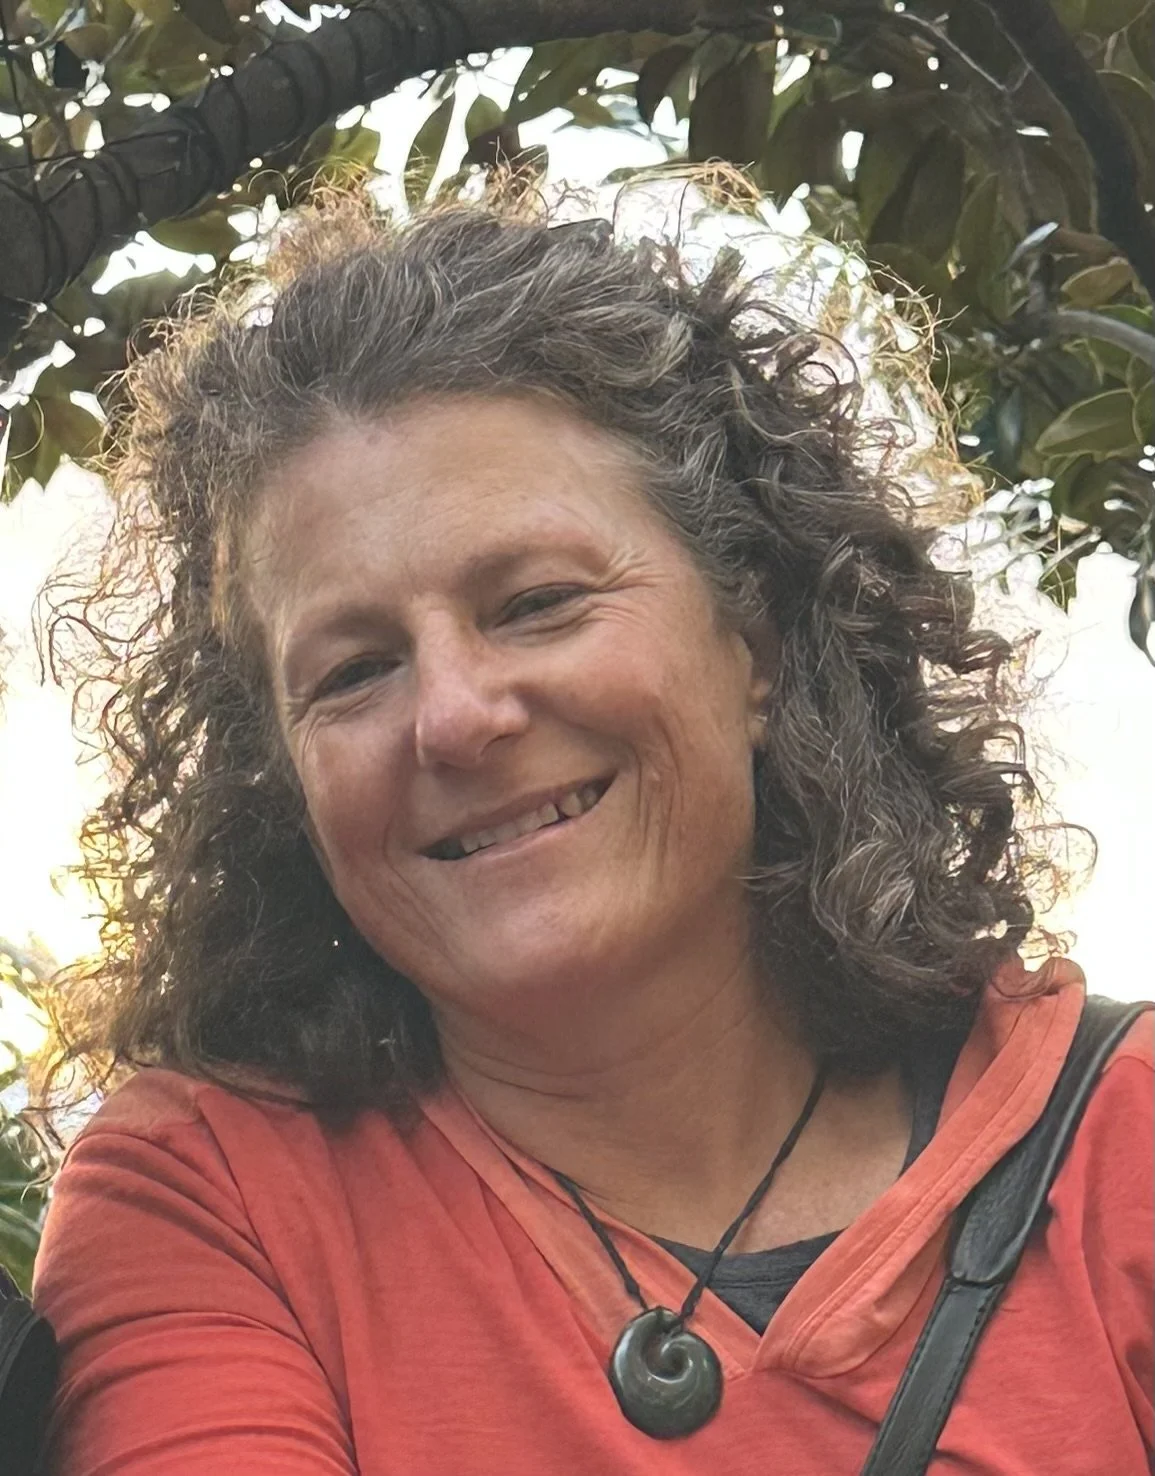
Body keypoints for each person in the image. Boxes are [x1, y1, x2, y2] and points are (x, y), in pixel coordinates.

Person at [29, 190, 1152, 1475]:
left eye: (538, 602)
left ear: (756, 642)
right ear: (282, 780)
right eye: (352, 672)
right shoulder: (213, 1203)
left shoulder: (1121, 1144)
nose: (455, 717)